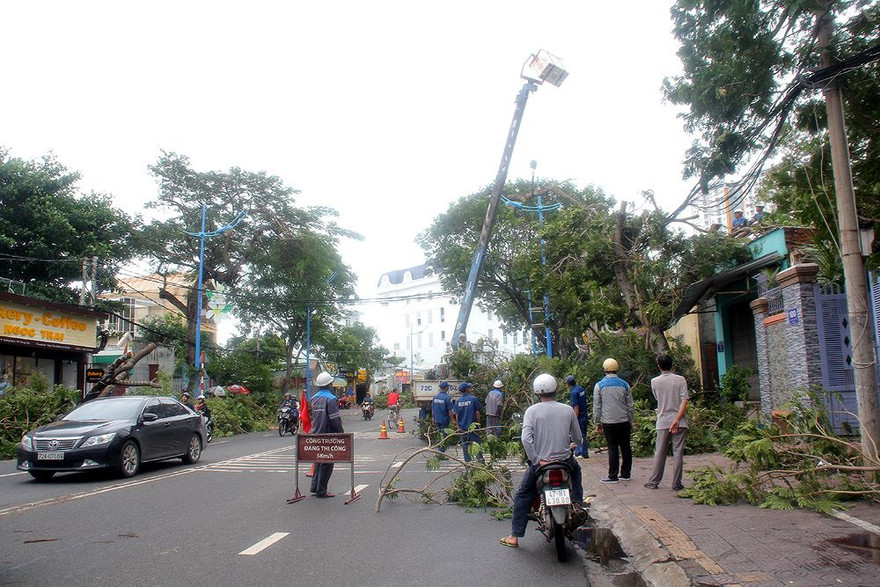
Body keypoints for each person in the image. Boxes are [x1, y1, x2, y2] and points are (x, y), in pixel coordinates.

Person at [500, 373, 584, 549]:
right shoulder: (567, 409)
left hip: (542, 465)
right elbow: (578, 438)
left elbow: (525, 440)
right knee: (576, 472)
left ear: (537, 392)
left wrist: (537, 461)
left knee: (523, 494)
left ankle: (515, 536)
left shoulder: (531, 411)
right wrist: (574, 444)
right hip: (565, 461)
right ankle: (577, 503)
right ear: (556, 389)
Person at [645, 355, 689, 491]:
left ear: (659, 366)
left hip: (663, 421)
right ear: (672, 365)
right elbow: (685, 400)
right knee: (678, 452)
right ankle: (676, 484)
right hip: (680, 421)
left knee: (660, 452)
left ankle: (654, 482)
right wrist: (676, 419)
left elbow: (658, 398)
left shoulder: (654, 381)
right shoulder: (680, 380)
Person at [593, 358, 633, 484]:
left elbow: (597, 406)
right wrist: (631, 420)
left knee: (612, 448)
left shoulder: (599, 386)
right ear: (617, 369)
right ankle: (626, 473)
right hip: (624, 421)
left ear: (604, 370)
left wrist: (597, 422)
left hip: (609, 422)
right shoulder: (625, 384)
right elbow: (630, 405)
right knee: (626, 447)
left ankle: (613, 475)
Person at [309, 371, 344, 498]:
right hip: (328, 435)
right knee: (327, 463)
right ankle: (321, 490)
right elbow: (335, 419)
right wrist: (341, 434)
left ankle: (314, 487)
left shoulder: (313, 398)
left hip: (315, 434)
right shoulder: (331, 399)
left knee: (318, 460)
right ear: (330, 384)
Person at [454, 382, 483, 463]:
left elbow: (456, 415)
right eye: (469, 388)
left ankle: (468, 463)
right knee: (477, 444)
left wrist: (458, 426)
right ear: (467, 389)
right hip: (472, 426)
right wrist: (479, 425)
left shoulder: (457, 401)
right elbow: (477, 413)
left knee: (465, 445)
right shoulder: (473, 399)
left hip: (462, 427)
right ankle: (481, 462)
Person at [566, 375, 589, 458]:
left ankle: (581, 452)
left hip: (579, 416)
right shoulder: (580, 389)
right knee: (583, 433)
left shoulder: (573, 392)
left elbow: (576, 407)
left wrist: (574, 419)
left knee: (579, 434)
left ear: (568, 384)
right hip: (584, 414)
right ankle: (582, 452)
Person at [431, 381, 454, 452]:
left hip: (437, 419)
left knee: (439, 435)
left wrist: (433, 418)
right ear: (446, 388)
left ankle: (439, 450)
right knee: (444, 436)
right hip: (444, 420)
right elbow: (450, 411)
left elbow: (432, 409)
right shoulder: (447, 398)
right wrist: (453, 420)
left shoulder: (435, 397)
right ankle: (441, 452)